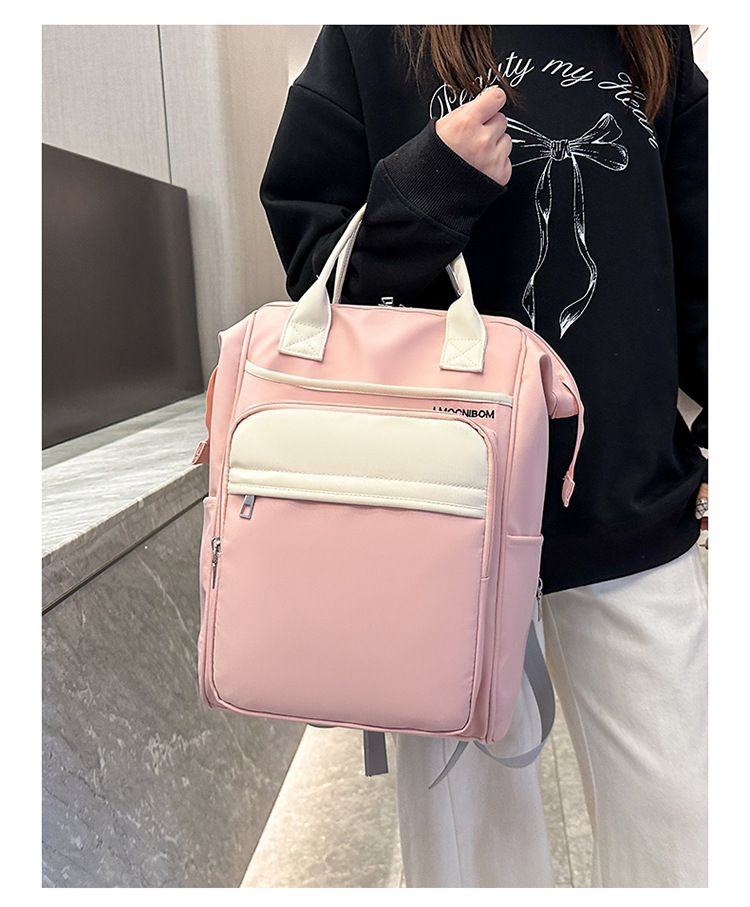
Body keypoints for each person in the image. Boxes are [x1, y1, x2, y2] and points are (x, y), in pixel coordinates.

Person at [259, 25, 708, 888]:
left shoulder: (648, 35)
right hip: (438, 522)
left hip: (630, 503)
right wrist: (429, 183)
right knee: (470, 864)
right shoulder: (371, 36)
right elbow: (319, 275)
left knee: (685, 835)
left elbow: (706, 265)